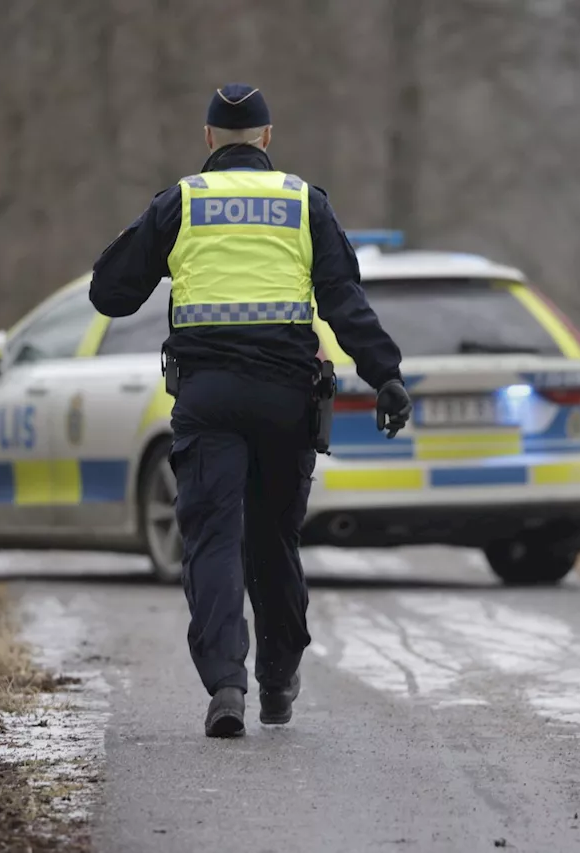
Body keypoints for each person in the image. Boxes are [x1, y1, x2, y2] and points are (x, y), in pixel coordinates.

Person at [89, 83, 412, 738]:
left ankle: (226, 684)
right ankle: (277, 681)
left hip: (208, 398)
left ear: (209, 138)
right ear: (267, 138)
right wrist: (387, 375)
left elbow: (110, 294)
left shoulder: (181, 202)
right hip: (285, 397)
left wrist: (144, 239)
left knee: (211, 538)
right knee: (274, 539)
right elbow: (344, 301)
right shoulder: (303, 203)